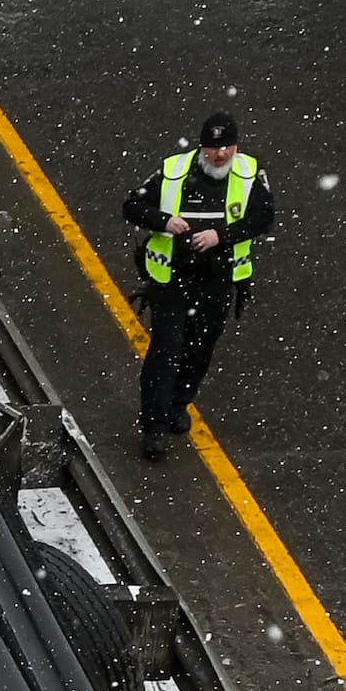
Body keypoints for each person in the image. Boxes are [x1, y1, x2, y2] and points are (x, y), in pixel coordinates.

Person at [121, 113, 277, 462]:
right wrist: (164, 221)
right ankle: (154, 427)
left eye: (226, 148)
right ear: (201, 146)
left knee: (200, 349)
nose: (219, 155)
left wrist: (220, 236)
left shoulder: (251, 173)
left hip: (217, 280)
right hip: (173, 280)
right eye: (212, 148)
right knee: (165, 351)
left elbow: (263, 218)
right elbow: (132, 205)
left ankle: (177, 403)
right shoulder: (174, 171)